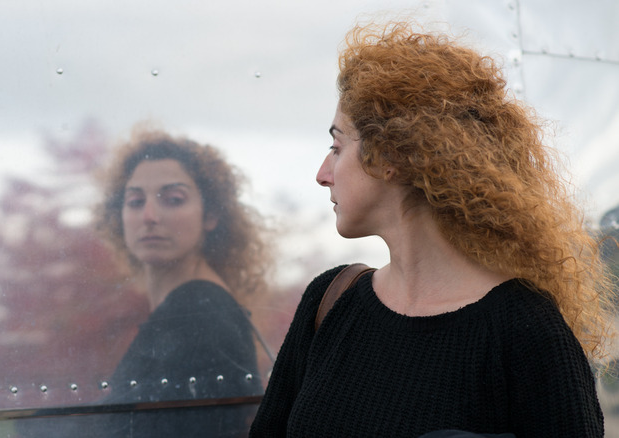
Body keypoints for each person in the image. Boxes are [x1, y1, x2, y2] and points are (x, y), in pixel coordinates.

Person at [250, 22, 615, 437]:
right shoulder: (331, 301)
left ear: (389, 156)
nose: (322, 174)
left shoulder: (528, 331)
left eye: (337, 147)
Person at [94, 129, 269, 437]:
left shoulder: (198, 312)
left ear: (211, 214)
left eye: (173, 199)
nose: (149, 215)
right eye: (135, 201)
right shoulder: (192, 308)